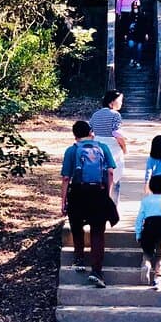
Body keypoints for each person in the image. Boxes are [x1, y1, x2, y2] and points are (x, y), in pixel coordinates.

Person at [60, 120, 117, 288]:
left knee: (76, 226)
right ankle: (97, 271)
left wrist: (63, 201)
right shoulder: (103, 148)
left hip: (78, 193)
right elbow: (111, 172)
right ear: (91, 132)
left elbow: (65, 178)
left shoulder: (72, 151)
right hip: (98, 193)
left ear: (75, 135)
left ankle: (79, 259)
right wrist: (107, 195)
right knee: (97, 231)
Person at [89, 91, 126, 205]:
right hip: (113, 149)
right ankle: (113, 209)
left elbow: (90, 132)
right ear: (111, 102)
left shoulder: (95, 115)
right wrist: (124, 147)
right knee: (114, 179)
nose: (121, 103)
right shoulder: (115, 115)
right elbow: (117, 133)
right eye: (119, 100)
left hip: (97, 148)